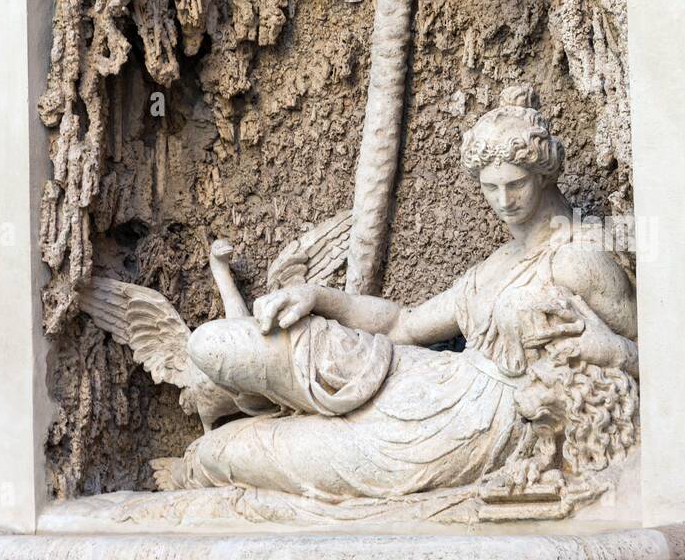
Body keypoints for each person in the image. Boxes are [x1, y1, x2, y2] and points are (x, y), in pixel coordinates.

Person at [182, 85, 638, 500]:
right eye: (490, 187)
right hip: (424, 380)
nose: (503, 201)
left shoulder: (578, 256)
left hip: (468, 429)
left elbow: (650, 357)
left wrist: (605, 350)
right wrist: (317, 297)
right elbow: (403, 324)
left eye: (515, 184)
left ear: (543, 176)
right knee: (215, 345)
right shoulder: (498, 263)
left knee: (223, 451)